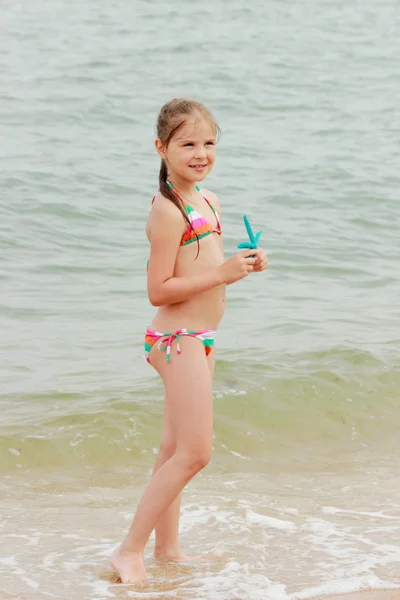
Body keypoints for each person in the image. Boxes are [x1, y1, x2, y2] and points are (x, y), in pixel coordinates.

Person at [111, 98, 268, 585]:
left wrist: (241, 266)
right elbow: (158, 289)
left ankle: (168, 551)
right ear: (162, 148)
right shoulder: (167, 211)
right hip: (175, 337)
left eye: (208, 143)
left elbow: (207, 270)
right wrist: (220, 273)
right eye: (187, 143)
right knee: (196, 453)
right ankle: (128, 550)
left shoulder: (209, 200)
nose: (200, 153)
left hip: (202, 338)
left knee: (171, 449)